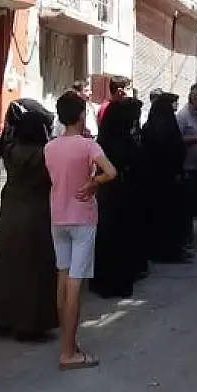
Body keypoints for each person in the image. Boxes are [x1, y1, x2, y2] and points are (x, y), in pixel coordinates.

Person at [44, 91, 117, 370]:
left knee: (62, 277)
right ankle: (68, 350)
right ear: (81, 115)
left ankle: (68, 343)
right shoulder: (88, 146)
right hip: (83, 218)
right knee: (76, 282)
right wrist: (94, 182)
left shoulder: (49, 148)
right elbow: (111, 172)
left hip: (57, 216)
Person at [0, 98, 59, 342]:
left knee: (8, 266)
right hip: (37, 213)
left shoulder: (10, 150)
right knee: (33, 269)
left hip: (11, 211)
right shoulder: (46, 154)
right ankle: (29, 324)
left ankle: (3, 318)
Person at [90, 96, 146, 298]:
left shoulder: (103, 141)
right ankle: (120, 282)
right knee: (122, 237)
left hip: (107, 194)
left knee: (107, 237)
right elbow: (136, 163)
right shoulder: (126, 141)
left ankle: (104, 281)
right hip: (123, 193)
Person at [141, 88, 190, 263]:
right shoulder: (170, 129)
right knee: (172, 217)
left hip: (153, 180)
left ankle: (155, 250)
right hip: (171, 180)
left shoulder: (148, 128)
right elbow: (177, 151)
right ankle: (172, 250)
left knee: (156, 217)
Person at [176, 83, 197, 250]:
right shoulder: (182, 116)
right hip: (189, 166)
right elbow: (177, 139)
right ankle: (187, 236)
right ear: (194, 100)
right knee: (188, 204)